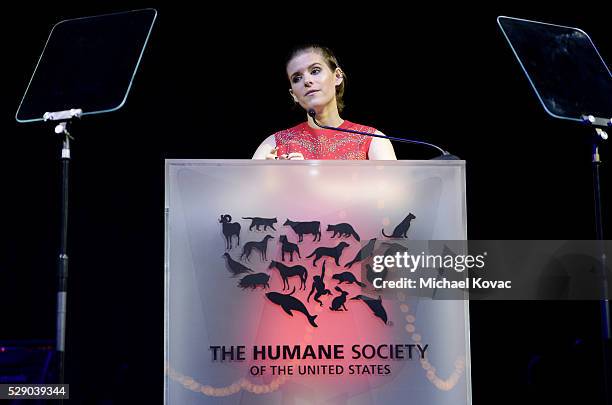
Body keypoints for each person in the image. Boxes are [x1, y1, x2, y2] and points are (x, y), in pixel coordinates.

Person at [252, 45, 397, 160]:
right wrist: (270, 178)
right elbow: (246, 193)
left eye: (315, 71)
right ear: (293, 94)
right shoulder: (273, 145)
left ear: (338, 76)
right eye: (297, 78)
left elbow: (393, 194)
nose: (307, 81)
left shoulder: (373, 140)